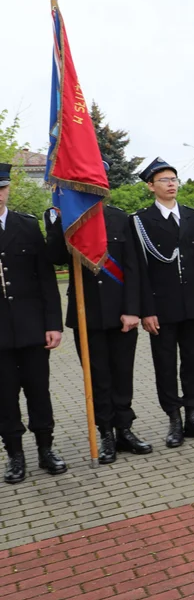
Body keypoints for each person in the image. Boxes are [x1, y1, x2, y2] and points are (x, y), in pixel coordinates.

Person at [45, 162, 151, 464]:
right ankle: (104, 431)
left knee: (123, 373)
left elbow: (134, 268)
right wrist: (59, 222)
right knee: (98, 377)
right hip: (86, 314)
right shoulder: (67, 221)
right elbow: (53, 258)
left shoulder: (121, 219)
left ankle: (124, 430)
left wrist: (133, 310)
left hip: (121, 315)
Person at [131, 158, 194, 448]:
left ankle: (193, 416)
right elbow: (139, 270)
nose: (171, 184)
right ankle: (174, 420)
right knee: (165, 365)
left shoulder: (193, 217)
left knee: (193, 363)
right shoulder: (140, 221)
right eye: (164, 180)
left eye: (174, 179)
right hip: (161, 308)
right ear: (150, 186)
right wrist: (146, 310)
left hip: (192, 305)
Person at [0, 163, 67, 484]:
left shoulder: (26, 226)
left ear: (8, 189)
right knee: (4, 397)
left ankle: (46, 449)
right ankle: (14, 454)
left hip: (33, 329)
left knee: (39, 392)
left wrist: (53, 324)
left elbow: (46, 281)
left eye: (1, 188)